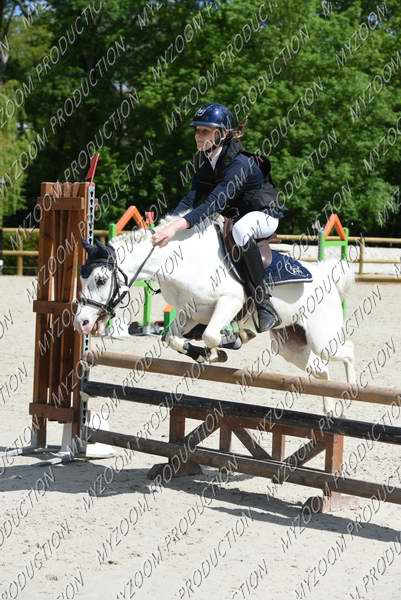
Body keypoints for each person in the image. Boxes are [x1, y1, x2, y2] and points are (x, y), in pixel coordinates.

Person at [152, 102, 286, 331]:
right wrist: (166, 224)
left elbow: (214, 204)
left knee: (241, 230)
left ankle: (263, 303)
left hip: (263, 214)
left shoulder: (239, 164)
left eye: (205, 131)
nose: (198, 135)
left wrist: (176, 227)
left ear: (222, 134)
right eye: (197, 130)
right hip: (235, 217)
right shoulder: (208, 162)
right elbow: (191, 199)